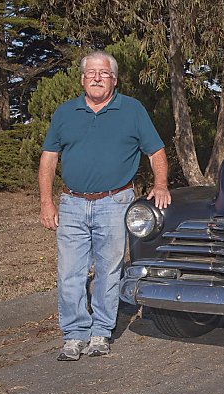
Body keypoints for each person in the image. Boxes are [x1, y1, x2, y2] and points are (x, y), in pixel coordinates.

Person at [38, 50, 171, 361]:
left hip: (115, 202)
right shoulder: (65, 112)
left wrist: (161, 184)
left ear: (114, 79)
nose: (97, 78)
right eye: (91, 73)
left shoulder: (132, 110)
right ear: (83, 79)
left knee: (108, 272)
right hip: (71, 203)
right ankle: (73, 335)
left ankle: (100, 332)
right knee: (70, 272)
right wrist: (46, 201)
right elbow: (48, 159)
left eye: (104, 73)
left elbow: (156, 152)